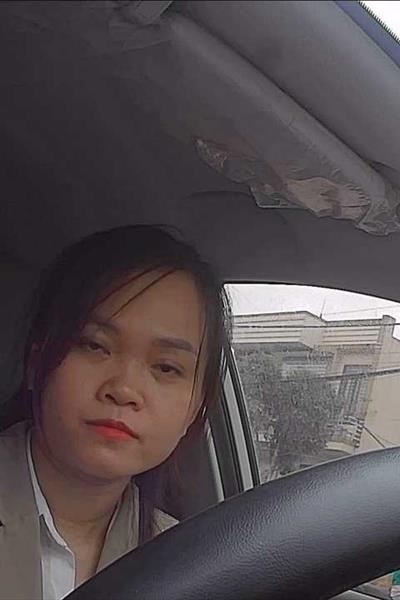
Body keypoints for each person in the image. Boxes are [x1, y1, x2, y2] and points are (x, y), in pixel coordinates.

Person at [0, 224, 232, 600]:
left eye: (166, 367)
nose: (124, 390)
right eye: (95, 346)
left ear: (195, 409)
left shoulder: (187, 560)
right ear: (36, 363)